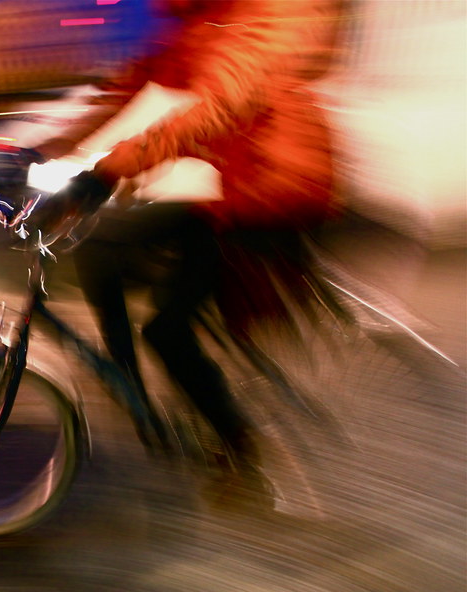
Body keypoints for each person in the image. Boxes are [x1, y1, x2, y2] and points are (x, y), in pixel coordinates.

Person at [34, 0, 347, 511]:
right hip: (242, 185)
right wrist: (51, 150)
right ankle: (128, 383)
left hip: (276, 195)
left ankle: (240, 455)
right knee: (102, 242)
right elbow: (129, 86)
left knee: (168, 329)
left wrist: (112, 167)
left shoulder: (249, 23)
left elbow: (219, 107)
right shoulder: (197, 25)